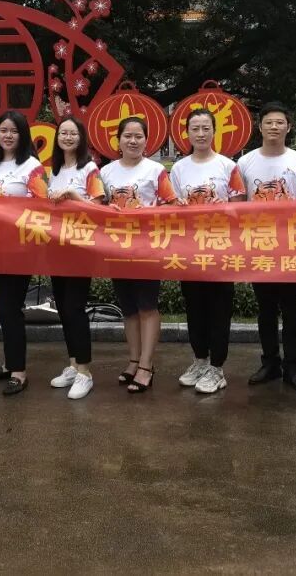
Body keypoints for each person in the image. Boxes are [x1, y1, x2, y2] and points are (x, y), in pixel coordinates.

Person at [237, 102, 296, 392]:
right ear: (260, 127)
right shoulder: (245, 163)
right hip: (259, 246)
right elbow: (237, 204)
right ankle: (270, 362)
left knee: (293, 309)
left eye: (280, 122)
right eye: (269, 122)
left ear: (288, 127)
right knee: (266, 309)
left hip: (292, 247)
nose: (274, 127)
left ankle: (293, 368)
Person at [0, 111, 48, 396]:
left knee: (10, 308)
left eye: (14, 131)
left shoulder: (31, 166)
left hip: (18, 248)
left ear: (23, 135)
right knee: (1, 307)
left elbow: (41, 204)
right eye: (3, 130)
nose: (8, 135)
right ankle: (8, 363)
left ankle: (19, 371)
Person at [171, 109, 246, 394]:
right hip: (190, 249)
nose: (200, 134)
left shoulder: (228, 166)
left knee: (219, 309)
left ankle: (217, 368)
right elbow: (172, 207)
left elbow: (240, 207)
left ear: (214, 131)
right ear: (187, 133)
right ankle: (200, 360)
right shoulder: (179, 169)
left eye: (206, 128)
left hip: (221, 249)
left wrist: (222, 209)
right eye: (195, 128)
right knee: (194, 307)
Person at [99, 116, 177, 394]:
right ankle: (133, 360)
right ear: (118, 140)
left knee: (146, 306)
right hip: (116, 248)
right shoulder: (106, 172)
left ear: (147, 141)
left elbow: (171, 205)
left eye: (138, 136)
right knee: (129, 308)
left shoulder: (156, 171)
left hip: (147, 248)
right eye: (127, 136)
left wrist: (148, 213)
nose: (133, 141)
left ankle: (146, 365)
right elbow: (97, 206)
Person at [46, 115, 105, 400]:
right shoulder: (54, 170)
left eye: (73, 133)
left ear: (81, 139)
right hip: (57, 248)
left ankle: (85, 372)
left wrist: (72, 195)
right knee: (63, 308)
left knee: (75, 308)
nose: (67, 137)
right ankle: (72, 365)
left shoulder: (89, 169)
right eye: (63, 133)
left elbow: (99, 206)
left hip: (81, 248)